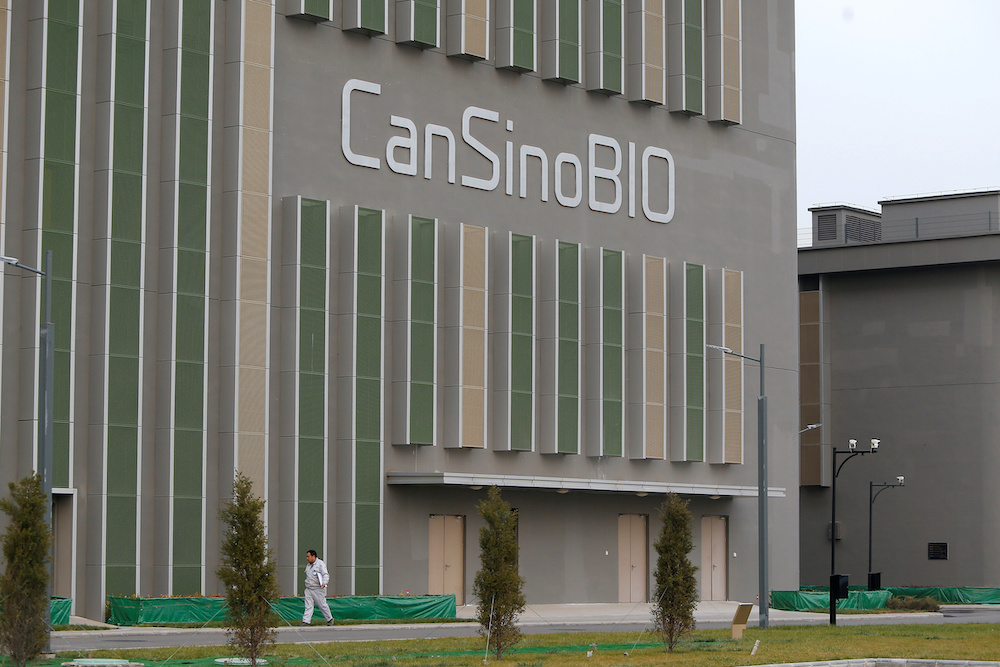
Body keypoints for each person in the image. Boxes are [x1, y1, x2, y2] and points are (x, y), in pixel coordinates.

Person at [301, 550, 334, 626]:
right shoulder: (308, 566)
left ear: (313, 556)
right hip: (309, 588)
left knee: (322, 605)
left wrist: (324, 582)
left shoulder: (320, 564)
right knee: (308, 605)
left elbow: (325, 575)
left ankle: (329, 619)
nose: (307, 558)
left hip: (317, 589)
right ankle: (306, 621)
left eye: (308, 556)